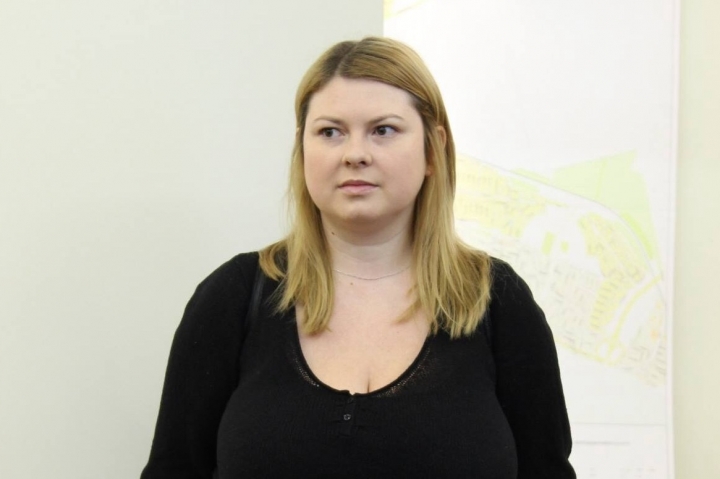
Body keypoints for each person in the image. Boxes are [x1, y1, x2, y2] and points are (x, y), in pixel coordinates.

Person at [140, 37, 575, 478]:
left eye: (383, 130)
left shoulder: (496, 301)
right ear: (302, 149)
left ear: (433, 148)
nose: (355, 154)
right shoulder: (233, 297)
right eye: (330, 132)